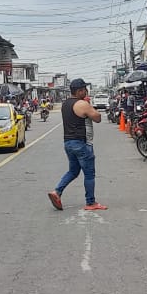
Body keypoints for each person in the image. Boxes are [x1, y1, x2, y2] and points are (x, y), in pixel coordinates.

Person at [47, 79, 104, 211]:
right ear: (79, 91)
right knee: (89, 174)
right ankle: (91, 202)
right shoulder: (82, 104)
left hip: (68, 143)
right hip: (80, 143)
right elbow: (98, 118)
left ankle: (57, 192)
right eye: (84, 90)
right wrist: (90, 107)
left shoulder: (65, 104)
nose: (86, 92)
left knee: (73, 171)